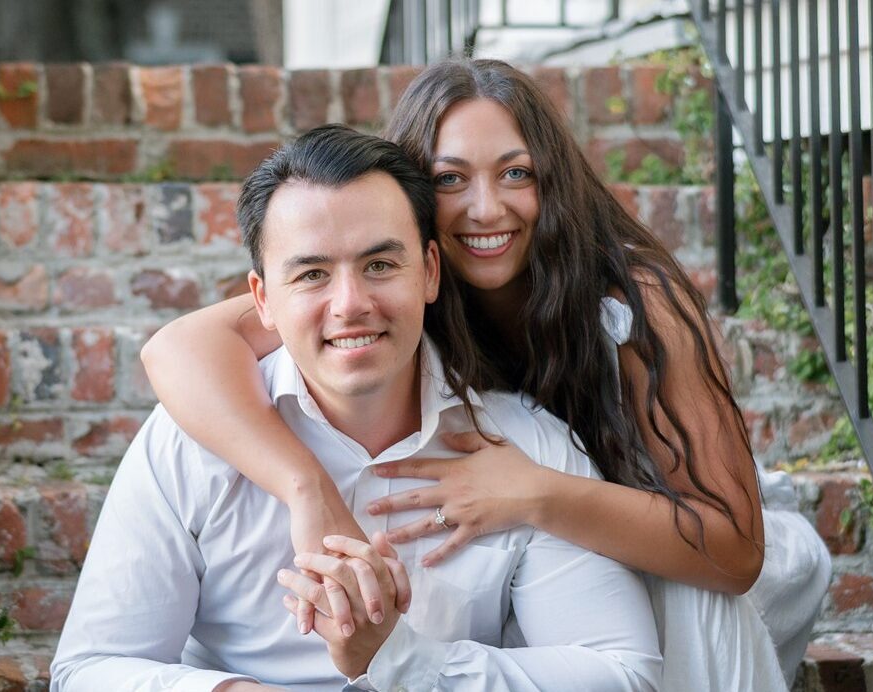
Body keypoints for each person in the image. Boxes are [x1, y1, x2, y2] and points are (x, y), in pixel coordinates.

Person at [142, 59, 828, 684]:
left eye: (515, 173)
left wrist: (533, 492)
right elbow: (174, 349)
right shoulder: (383, 283)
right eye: (450, 179)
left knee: (676, 597)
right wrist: (306, 487)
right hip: (558, 555)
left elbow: (734, 550)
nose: (486, 207)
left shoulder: (629, 299)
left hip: (691, 547)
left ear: (550, 178)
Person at [50, 125, 663, 691]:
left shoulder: (524, 445)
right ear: (262, 300)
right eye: (312, 274)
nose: (350, 304)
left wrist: (402, 659)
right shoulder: (188, 442)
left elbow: (623, 673)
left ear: (429, 272)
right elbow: (87, 670)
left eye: (379, 265)